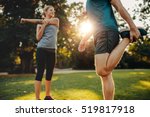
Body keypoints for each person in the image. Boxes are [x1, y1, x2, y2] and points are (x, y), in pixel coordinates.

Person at [78, 0, 140, 100]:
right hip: (100, 34)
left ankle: (127, 38)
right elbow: (93, 23)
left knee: (102, 70)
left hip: (106, 31)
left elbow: (119, 6)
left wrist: (132, 27)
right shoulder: (89, 2)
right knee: (106, 75)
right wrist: (84, 39)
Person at [20, 5, 59, 100]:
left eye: (53, 10)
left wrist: (25, 20)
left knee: (49, 72)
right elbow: (38, 38)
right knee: (40, 72)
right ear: (45, 12)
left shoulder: (56, 21)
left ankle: (48, 95)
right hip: (42, 49)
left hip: (52, 50)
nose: (52, 12)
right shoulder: (39, 25)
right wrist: (44, 25)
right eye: (50, 10)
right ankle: (37, 98)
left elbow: (40, 20)